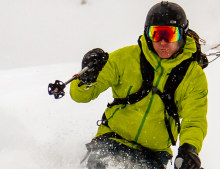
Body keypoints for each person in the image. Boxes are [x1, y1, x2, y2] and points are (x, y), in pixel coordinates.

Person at [70, 1, 208, 169]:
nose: (163, 42)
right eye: (156, 34)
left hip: (153, 153)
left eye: (170, 35)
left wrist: (189, 149)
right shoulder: (125, 58)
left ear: (182, 35)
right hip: (111, 139)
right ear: (147, 34)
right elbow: (80, 96)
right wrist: (87, 78)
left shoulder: (193, 76)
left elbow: (195, 119)